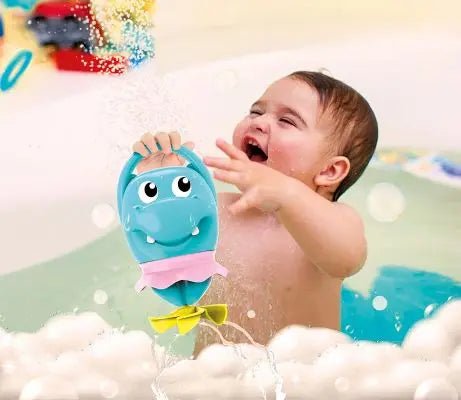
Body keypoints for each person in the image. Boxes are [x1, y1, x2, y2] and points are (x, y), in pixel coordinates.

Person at [132, 71, 378, 356]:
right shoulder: (215, 210)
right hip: (212, 372)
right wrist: (158, 186)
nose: (259, 122)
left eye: (287, 121)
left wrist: (285, 192)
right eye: (256, 111)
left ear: (330, 171)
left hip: (303, 376)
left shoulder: (335, 220)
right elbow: (162, 256)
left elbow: (346, 260)